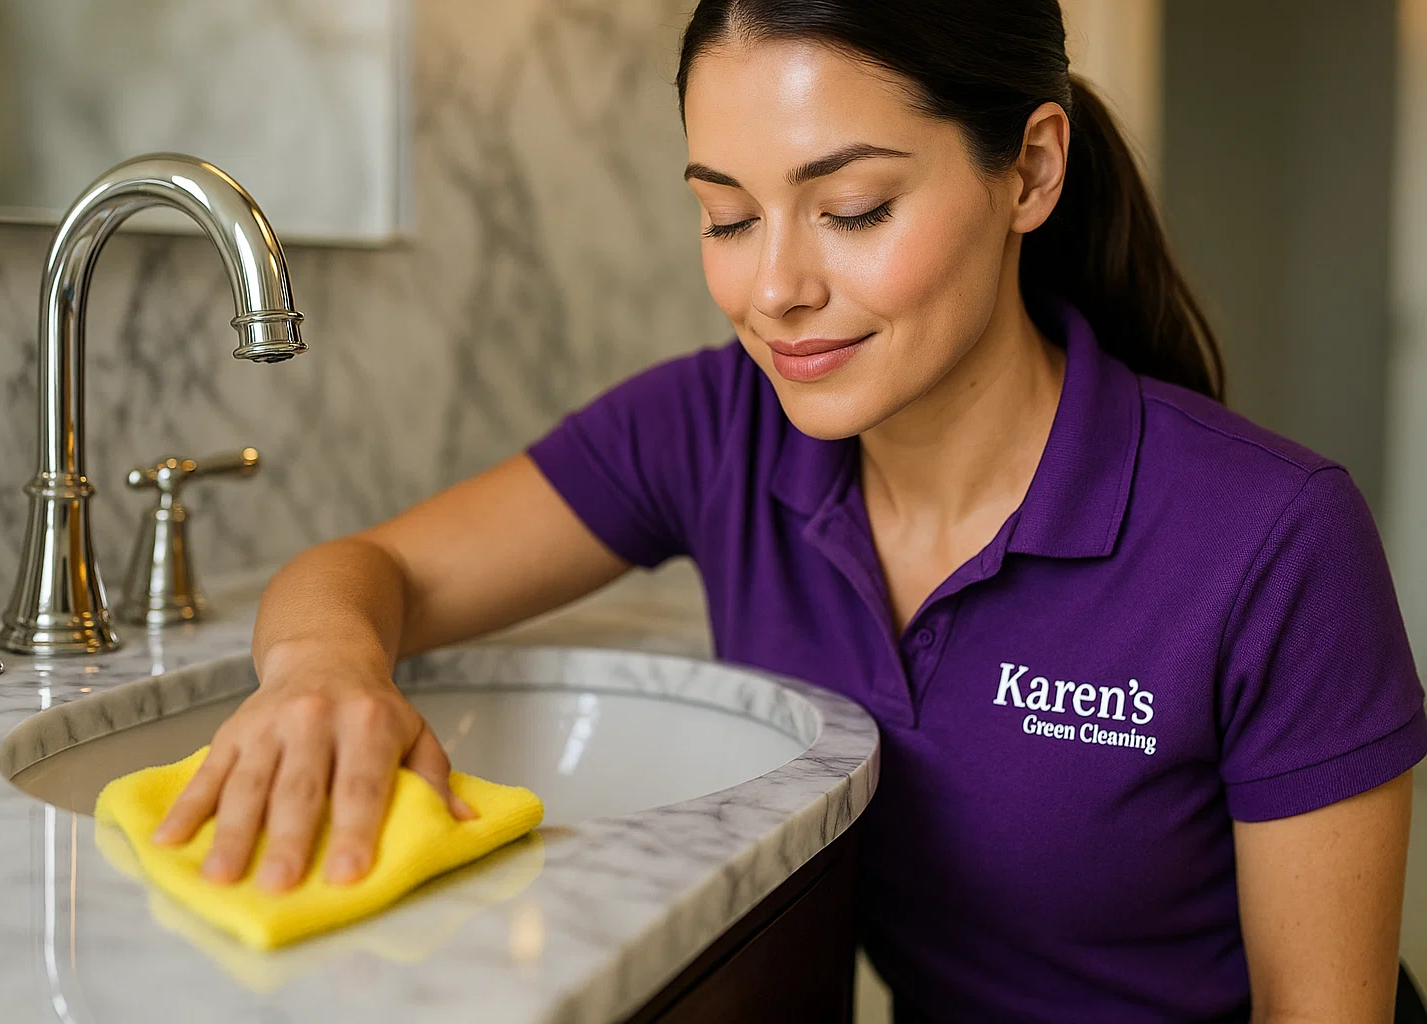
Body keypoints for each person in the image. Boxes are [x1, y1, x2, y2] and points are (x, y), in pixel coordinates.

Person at [149, 1, 1427, 1020]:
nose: (774, 289)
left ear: (1030, 171)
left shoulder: (1271, 538)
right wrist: (325, 671)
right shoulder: (715, 428)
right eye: (726, 215)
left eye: (854, 209)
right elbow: (368, 569)